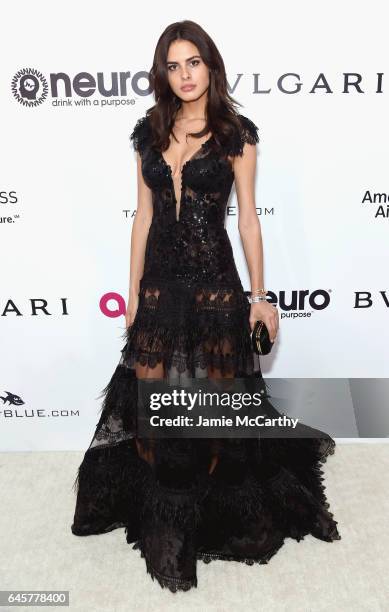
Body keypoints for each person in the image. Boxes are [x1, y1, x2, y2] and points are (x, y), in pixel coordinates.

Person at [71, 20, 341, 593]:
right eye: (173, 65)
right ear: (162, 72)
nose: (184, 74)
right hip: (160, 289)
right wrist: (133, 293)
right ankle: (165, 519)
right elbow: (142, 219)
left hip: (216, 287)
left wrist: (260, 297)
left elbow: (246, 220)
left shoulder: (235, 133)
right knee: (154, 406)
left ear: (211, 66)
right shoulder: (148, 130)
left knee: (213, 411)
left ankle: (209, 520)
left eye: (193, 62)